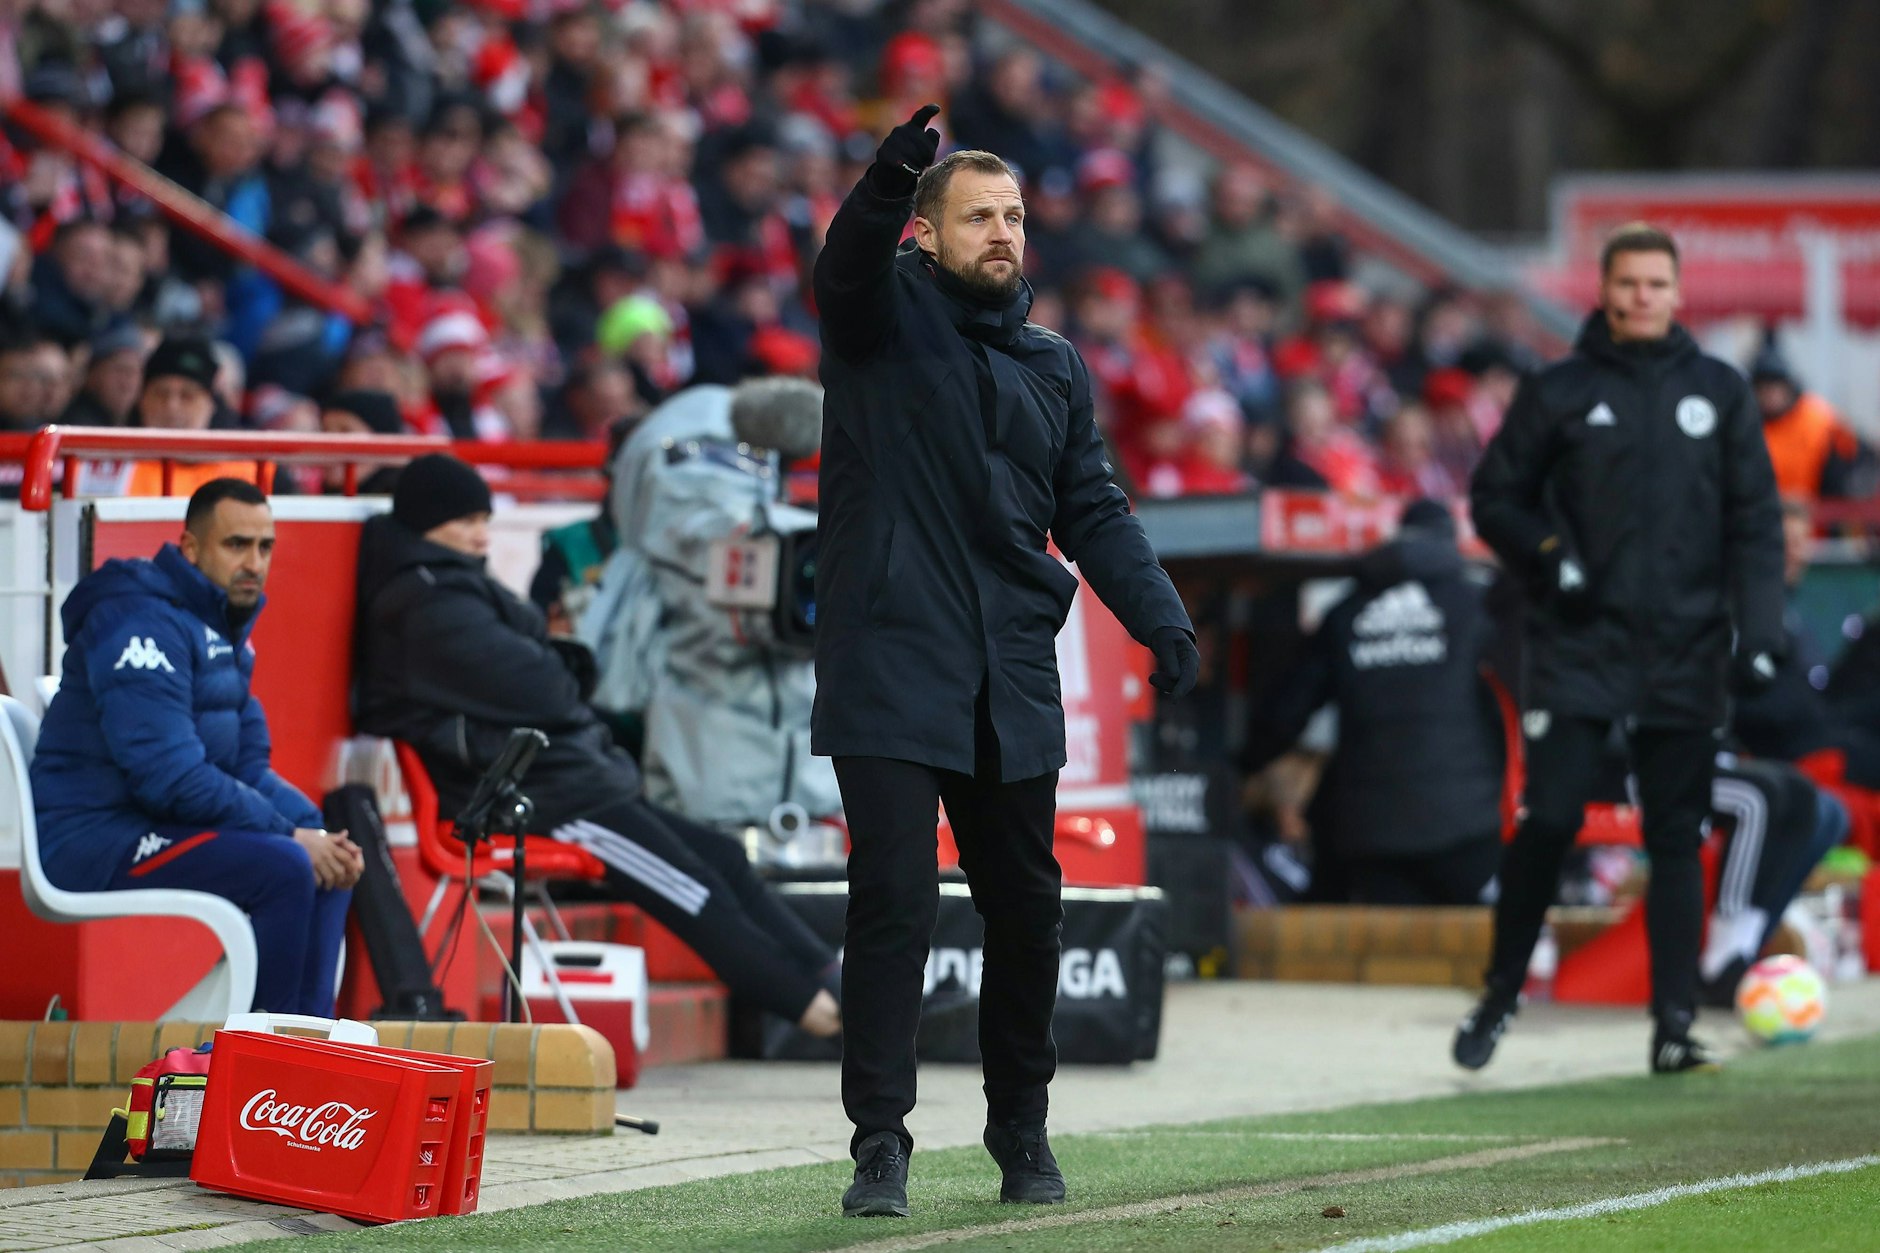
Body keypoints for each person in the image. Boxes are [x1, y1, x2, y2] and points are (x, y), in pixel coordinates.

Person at [812, 106, 1198, 1218]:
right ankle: (879, 1143)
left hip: (1009, 666)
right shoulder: (878, 323)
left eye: (1014, 216)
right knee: (892, 899)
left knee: (1027, 911)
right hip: (889, 656)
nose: (1001, 233)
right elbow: (842, 271)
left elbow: (1094, 508)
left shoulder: (1053, 363)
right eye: (977, 215)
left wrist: (1161, 619)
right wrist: (888, 179)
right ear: (927, 234)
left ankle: (1020, 1128)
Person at [352, 454, 843, 1040]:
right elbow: (550, 689)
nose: (482, 534)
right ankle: (818, 1013)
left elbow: (550, 677)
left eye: (485, 518)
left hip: (567, 779)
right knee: (691, 888)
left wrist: (557, 662)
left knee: (723, 858)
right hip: (533, 797)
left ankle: (838, 983)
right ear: (427, 523)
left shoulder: (450, 584)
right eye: (465, 521)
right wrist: (559, 659)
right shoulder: (428, 603)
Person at [1461, 222, 1785, 1075]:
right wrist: (1547, 555)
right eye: (1628, 282)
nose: (1643, 296)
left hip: (1686, 645)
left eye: (1656, 283)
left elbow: (1755, 521)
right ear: (1604, 290)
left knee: (1677, 833)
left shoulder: (1719, 391)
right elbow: (1494, 496)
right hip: (1579, 643)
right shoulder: (1559, 389)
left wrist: (1761, 631)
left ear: (1678, 293)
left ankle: (1673, 1025)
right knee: (1551, 816)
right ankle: (1500, 992)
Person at [30, 479, 361, 1015]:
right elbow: (169, 776)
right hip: (93, 837)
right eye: (236, 545)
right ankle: (265, 1051)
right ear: (190, 548)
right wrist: (289, 836)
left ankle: (306, 1038)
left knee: (326, 859)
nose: (254, 563)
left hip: (149, 821)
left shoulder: (218, 626)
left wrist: (314, 833)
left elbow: (246, 767)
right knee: (285, 865)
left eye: (265, 547)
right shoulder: (140, 622)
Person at [1242, 499, 1504, 906]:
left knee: (1385, 944)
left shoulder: (1346, 613)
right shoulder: (1479, 608)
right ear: (1451, 542)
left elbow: (1284, 715)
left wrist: (1241, 765)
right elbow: (1509, 709)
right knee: (1480, 943)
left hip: (1372, 832)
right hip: (1467, 826)